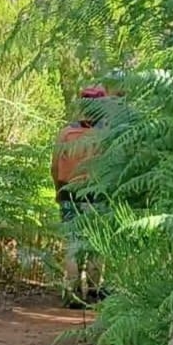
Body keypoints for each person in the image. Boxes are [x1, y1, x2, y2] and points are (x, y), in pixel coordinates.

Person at [51, 85, 109, 306]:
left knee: (73, 244)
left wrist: (59, 190)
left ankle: (72, 294)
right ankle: (94, 292)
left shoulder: (66, 133)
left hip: (69, 193)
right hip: (97, 196)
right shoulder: (106, 135)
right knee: (96, 243)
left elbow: (55, 166)